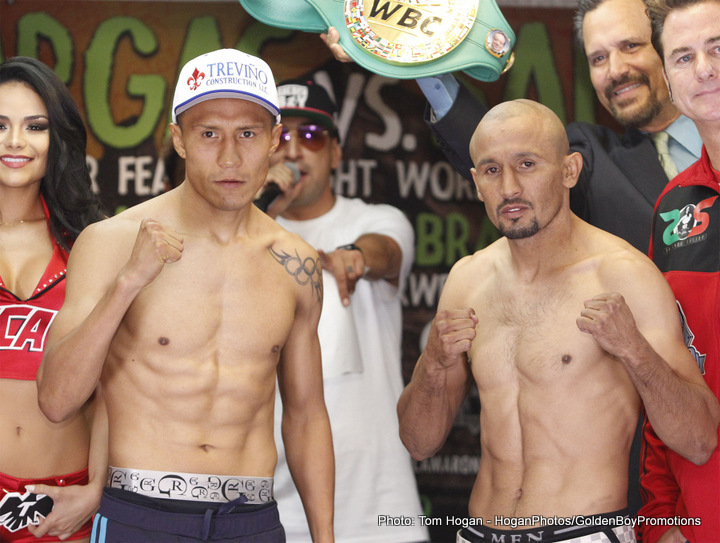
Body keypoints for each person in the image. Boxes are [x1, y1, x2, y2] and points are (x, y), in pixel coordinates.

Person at [36, 48, 335, 543]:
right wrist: (128, 282)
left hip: (252, 521)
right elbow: (56, 400)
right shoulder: (113, 241)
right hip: (140, 514)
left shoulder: (296, 263)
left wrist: (325, 538)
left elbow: (306, 414)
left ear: (275, 140)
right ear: (179, 138)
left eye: (248, 134)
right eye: (209, 133)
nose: (230, 158)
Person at [396, 99, 720, 543]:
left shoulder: (622, 274)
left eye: (526, 164)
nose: (509, 187)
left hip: (582, 532)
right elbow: (419, 442)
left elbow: (699, 439)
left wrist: (633, 349)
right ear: (475, 183)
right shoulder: (466, 280)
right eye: (491, 170)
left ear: (569, 170)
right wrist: (432, 364)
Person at [322, 0, 701, 254]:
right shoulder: (592, 157)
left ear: (670, 45)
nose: (615, 70)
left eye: (632, 46)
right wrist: (409, 54)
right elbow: (500, 149)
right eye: (598, 58)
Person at [257, 77, 428, 543]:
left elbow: (386, 251)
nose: (294, 152)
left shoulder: (374, 218)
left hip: (378, 505)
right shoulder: (242, 237)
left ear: (335, 152)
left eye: (310, 137)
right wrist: (259, 212)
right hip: (270, 504)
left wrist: (354, 257)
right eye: (280, 137)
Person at [0, 56, 106, 543]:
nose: (15, 142)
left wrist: (97, 490)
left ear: (56, 138)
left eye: (35, 126)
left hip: (64, 507)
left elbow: (117, 385)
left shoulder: (91, 242)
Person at [634, 1, 720, 540]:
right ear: (666, 78)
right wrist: (664, 518)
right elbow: (664, 366)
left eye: (719, 49)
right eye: (683, 57)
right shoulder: (674, 206)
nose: (704, 70)